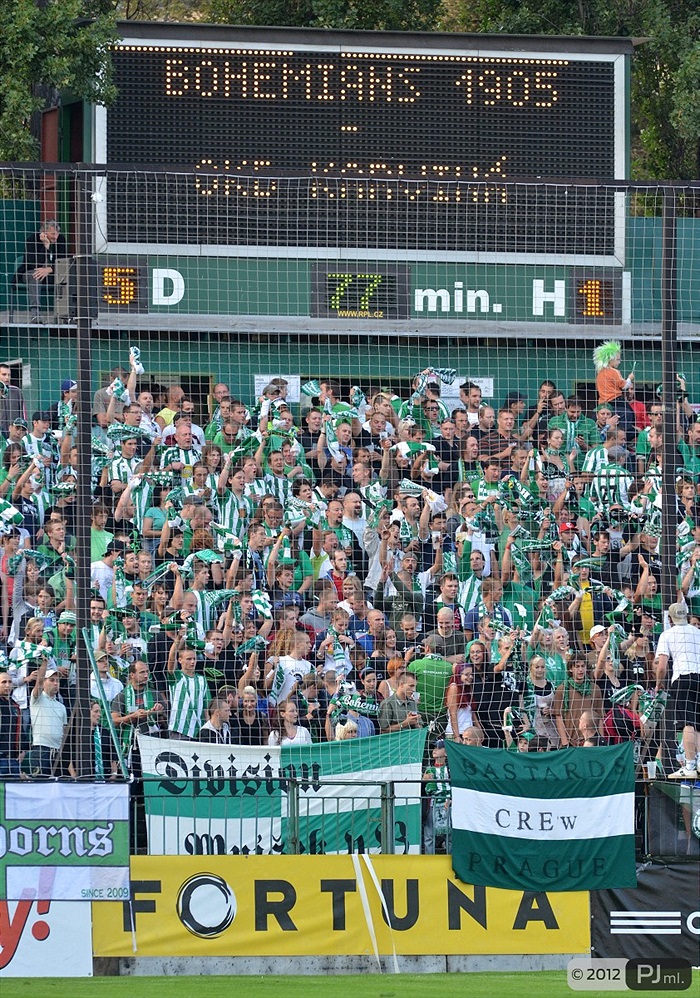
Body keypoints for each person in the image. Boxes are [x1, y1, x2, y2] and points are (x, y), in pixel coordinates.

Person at [655, 602, 700, 779]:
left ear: (670, 618)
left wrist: (659, 683)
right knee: (698, 724)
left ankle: (689, 765)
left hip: (682, 678)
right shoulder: (697, 632)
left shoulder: (667, 634)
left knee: (687, 723)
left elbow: (662, 666)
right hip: (699, 677)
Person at [15, 220, 67, 322]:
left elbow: (63, 262)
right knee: (36, 275)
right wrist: (46, 246)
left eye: (57, 234)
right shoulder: (32, 239)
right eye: (52, 234)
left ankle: (64, 316)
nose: (55, 237)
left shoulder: (61, 240)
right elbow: (33, 264)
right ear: (44, 232)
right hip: (31, 271)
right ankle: (35, 315)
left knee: (67, 277)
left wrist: (49, 269)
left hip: (51, 274)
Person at [29, 656, 69, 776]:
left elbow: (64, 731)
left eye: (57, 681)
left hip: (57, 751)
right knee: (41, 783)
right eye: (51, 680)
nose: (56, 683)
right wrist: (45, 663)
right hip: (41, 749)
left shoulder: (61, 707)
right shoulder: (37, 699)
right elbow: (38, 683)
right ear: (44, 682)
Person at [552, 659, 604, 748]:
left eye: (583, 666)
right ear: (570, 669)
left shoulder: (595, 688)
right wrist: (565, 743)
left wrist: (601, 740)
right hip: (571, 742)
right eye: (577, 666)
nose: (580, 670)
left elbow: (599, 717)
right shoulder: (562, 689)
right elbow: (559, 718)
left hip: (591, 742)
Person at [422, 740, 451, 854]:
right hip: (432, 805)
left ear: (446, 753)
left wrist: (451, 799)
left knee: (450, 834)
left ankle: (450, 858)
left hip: (448, 805)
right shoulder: (428, 769)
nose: (434, 750)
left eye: (438, 748)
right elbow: (424, 789)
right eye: (434, 748)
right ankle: (429, 859)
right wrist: (423, 780)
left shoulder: (450, 769)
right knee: (429, 835)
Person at [0, 671, 22, 777]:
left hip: (13, 758)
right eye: (4, 682)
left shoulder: (15, 706)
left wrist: (22, 750)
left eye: (10, 682)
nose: (8, 685)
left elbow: (20, 729)